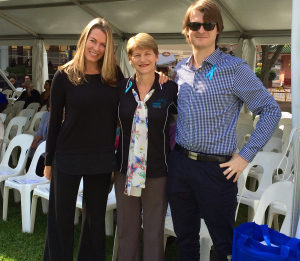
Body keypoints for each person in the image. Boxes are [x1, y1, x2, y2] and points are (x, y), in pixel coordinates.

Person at [167, 1, 282, 260]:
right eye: (194, 25)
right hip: (181, 165)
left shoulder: (235, 69)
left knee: (224, 245)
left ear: (218, 29)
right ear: (186, 31)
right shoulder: (180, 70)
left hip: (216, 171)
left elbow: (270, 110)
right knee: (184, 239)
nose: (201, 30)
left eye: (208, 25)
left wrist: (245, 157)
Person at [43, 18, 124, 261]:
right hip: (67, 156)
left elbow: (135, 97)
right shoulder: (64, 75)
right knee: (61, 220)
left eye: (103, 44)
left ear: (108, 47)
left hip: (100, 159)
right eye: (93, 41)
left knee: (94, 222)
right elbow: (54, 121)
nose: (97, 48)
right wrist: (49, 161)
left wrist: (158, 78)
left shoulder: (114, 76)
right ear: (84, 40)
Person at [115, 33, 177, 261]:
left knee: (153, 231)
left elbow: (184, 122)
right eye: (137, 55)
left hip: (157, 172)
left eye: (147, 54)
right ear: (130, 59)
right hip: (125, 170)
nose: (143, 59)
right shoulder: (121, 88)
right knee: (126, 230)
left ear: (156, 56)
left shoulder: (170, 89)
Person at [25, 100, 50, 176]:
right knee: (31, 148)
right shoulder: (46, 115)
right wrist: (35, 141)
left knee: (42, 150)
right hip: (43, 141)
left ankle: (40, 175)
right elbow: (40, 132)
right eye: (49, 107)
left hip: (52, 145)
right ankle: (29, 174)